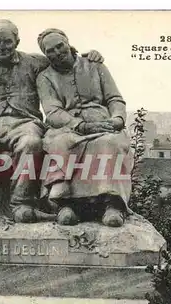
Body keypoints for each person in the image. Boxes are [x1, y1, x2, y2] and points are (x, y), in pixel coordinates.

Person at [0, 20, 104, 224]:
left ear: (17, 41)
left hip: (25, 124)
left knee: (31, 143)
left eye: (7, 41)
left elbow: (60, 58)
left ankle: (20, 203)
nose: (2, 46)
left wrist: (87, 55)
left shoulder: (34, 62)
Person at [36, 28, 132, 227]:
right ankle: (65, 205)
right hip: (67, 126)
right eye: (49, 51)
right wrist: (79, 125)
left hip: (103, 122)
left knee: (109, 142)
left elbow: (114, 98)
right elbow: (53, 111)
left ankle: (112, 205)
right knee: (61, 144)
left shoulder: (95, 66)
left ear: (67, 42)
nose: (56, 52)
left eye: (59, 46)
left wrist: (117, 119)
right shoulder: (44, 77)